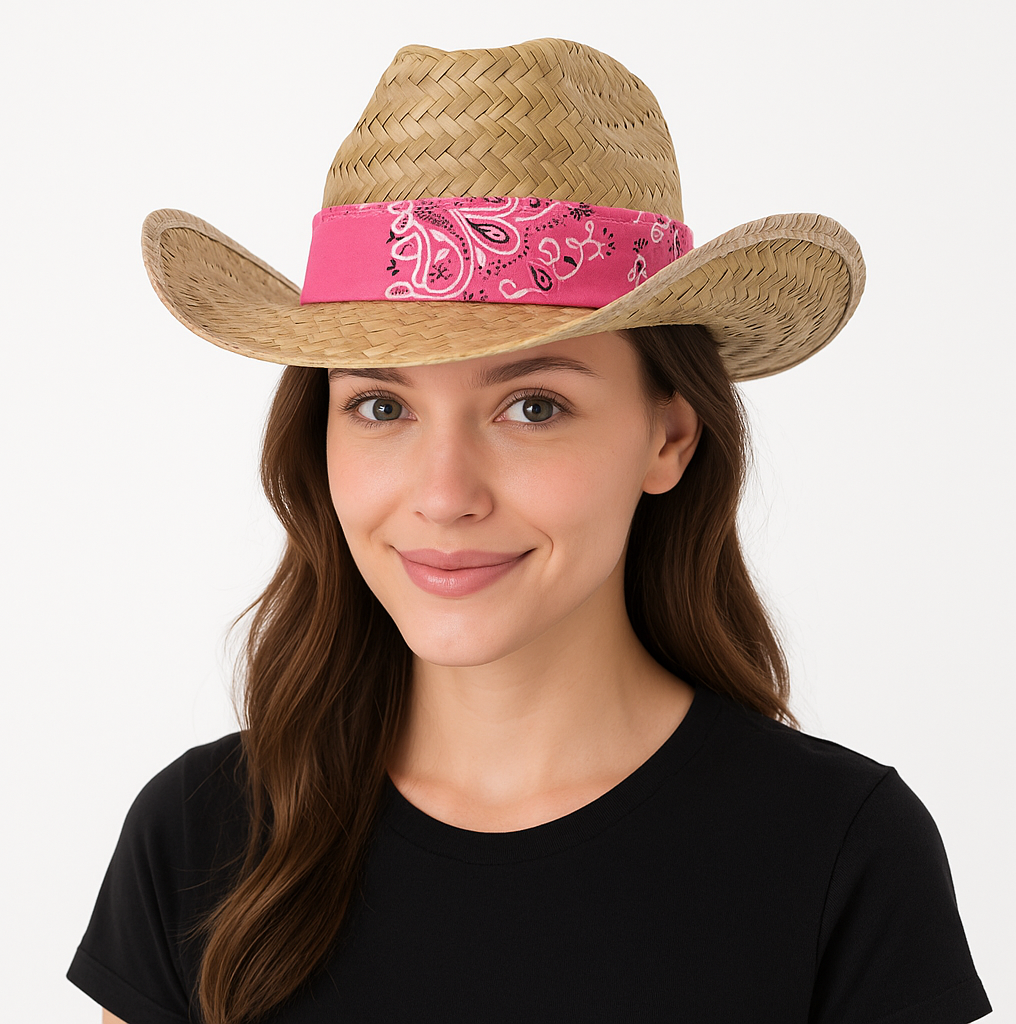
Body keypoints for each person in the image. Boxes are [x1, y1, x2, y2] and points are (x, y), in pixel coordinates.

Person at [67, 37, 992, 1024]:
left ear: (667, 437)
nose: (444, 492)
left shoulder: (837, 853)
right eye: (381, 407)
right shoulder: (200, 835)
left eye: (532, 406)